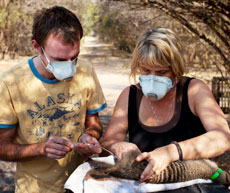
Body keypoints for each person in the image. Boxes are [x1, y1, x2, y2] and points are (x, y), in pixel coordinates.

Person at [101, 28, 230, 191]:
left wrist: (170, 152)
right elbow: (105, 147)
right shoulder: (129, 95)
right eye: (146, 71)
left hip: (195, 184)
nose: (153, 78)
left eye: (161, 72)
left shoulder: (194, 90)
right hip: (147, 184)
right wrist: (116, 146)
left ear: (176, 68)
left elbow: (222, 138)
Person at [0, 6, 106, 193]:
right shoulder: (10, 83)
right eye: (59, 60)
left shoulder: (86, 71)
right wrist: (41, 149)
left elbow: (94, 123)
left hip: (81, 184)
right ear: (36, 46)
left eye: (74, 58)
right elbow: (2, 148)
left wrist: (90, 136)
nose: (70, 67)